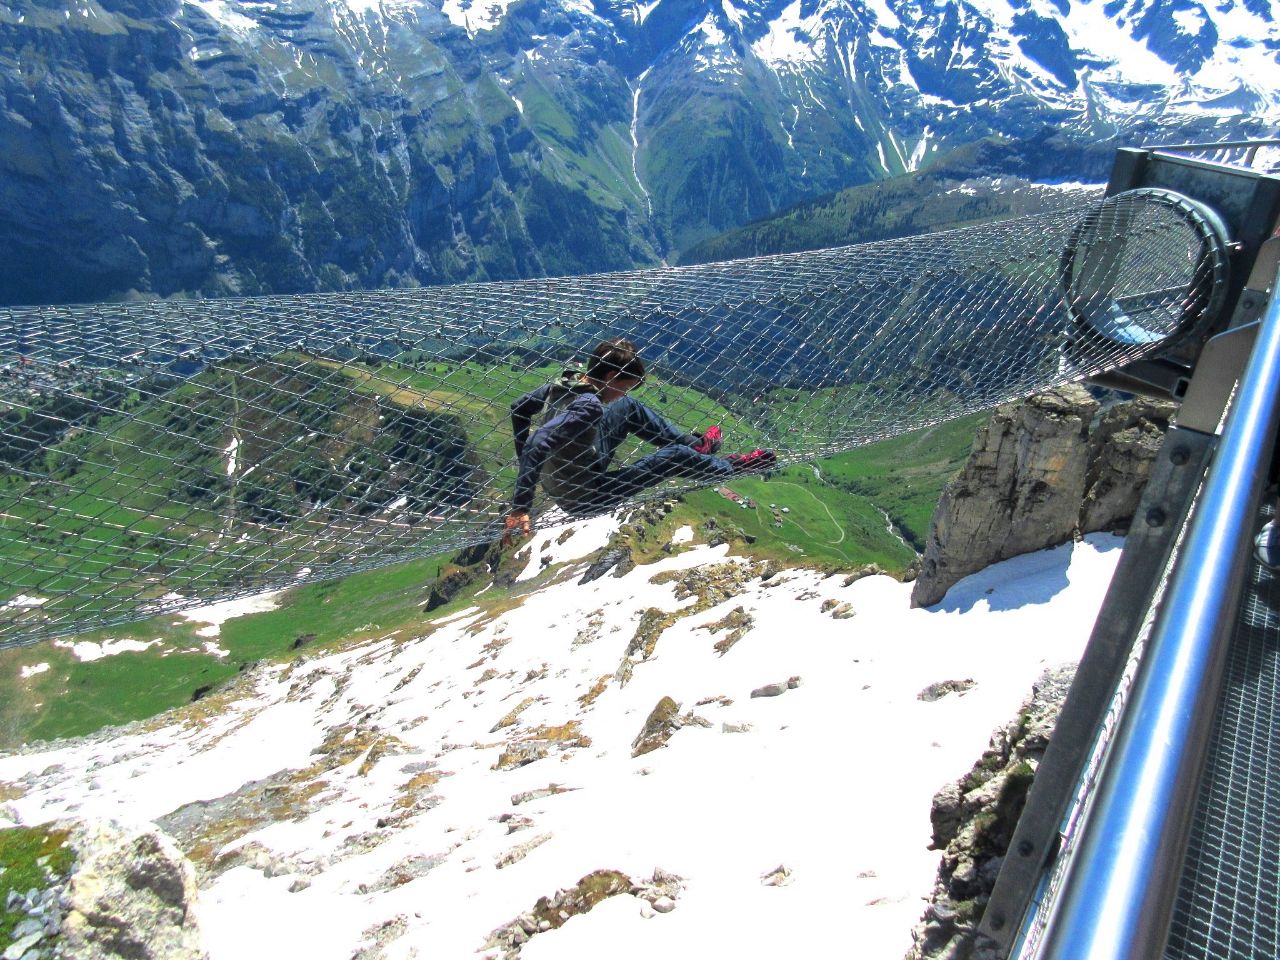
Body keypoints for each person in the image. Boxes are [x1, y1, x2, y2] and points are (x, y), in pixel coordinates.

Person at [503, 339, 775, 542]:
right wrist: (521, 506)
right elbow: (537, 442)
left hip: (574, 471)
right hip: (586, 496)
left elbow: (519, 408)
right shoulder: (589, 405)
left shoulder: (566, 381)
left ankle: (699, 447)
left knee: (628, 408)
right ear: (610, 377)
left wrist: (533, 465)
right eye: (624, 387)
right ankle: (730, 467)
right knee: (674, 457)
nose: (622, 393)